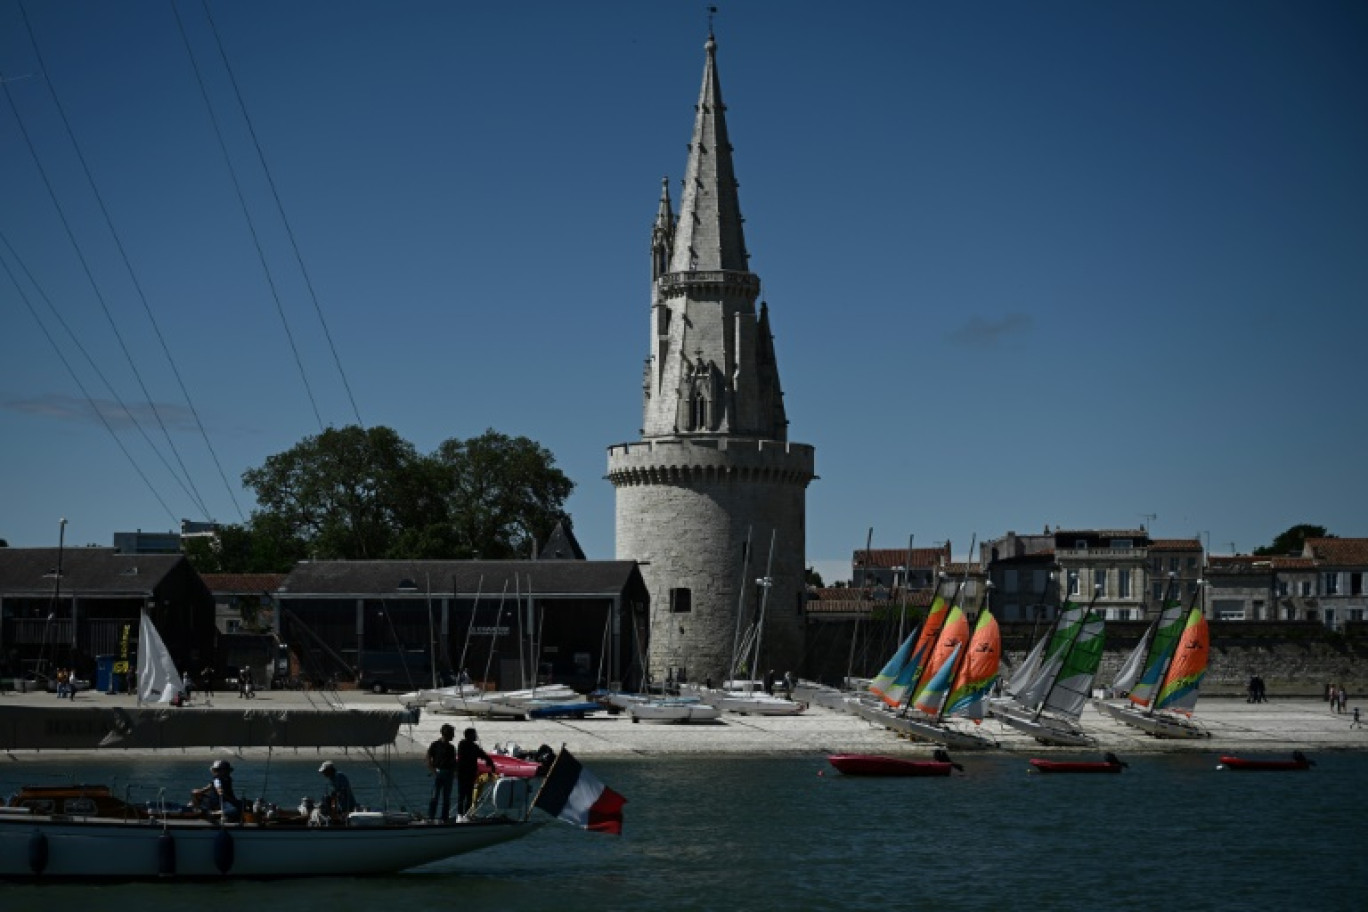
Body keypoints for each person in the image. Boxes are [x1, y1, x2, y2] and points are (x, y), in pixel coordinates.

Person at [456, 726, 492, 821]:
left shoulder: (474, 746)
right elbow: (477, 754)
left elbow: (483, 755)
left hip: (471, 774)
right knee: (462, 795)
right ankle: (459, 814)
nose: (476, 736)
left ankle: (466, 814)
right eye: (474, 734)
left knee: (469, 795)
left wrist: (489, 762)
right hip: (463, 774)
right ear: (469, 735)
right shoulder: (463, 744)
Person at [426, 723, 457, 822]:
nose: (453, 736)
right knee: (434, 796)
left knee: (446, 798)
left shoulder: (452, 748)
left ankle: (444, 817)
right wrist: (433, 770)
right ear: (446, 734)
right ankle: (431, 817)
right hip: (438, 772)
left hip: (449, 773)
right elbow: (428, 758)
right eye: (452, 733)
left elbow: (453, 762)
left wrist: (455, 772)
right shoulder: (435, 745)